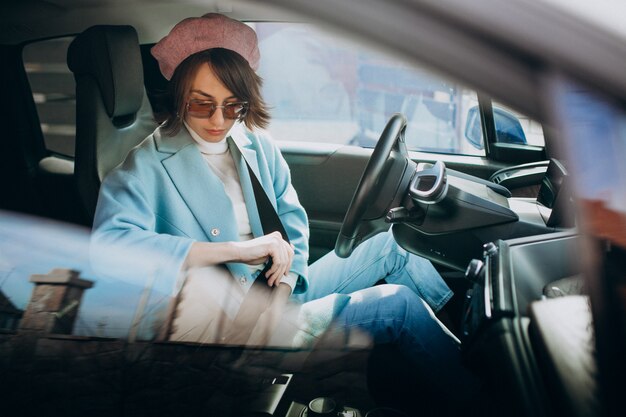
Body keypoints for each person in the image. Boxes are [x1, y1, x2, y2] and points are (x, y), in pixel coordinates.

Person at [91, 13, 478, 404]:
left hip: (279, 295)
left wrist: (288, 284)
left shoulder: (253, 142)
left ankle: (467, 348)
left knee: (393, 244)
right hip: (231, 332)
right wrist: (235, 251)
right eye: (201, 105)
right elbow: (111, 251)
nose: (219, 120)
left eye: (233, 105)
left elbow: (292, 223)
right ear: (179, 94)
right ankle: (486, 402)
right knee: (398, 306)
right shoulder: (141, 168)